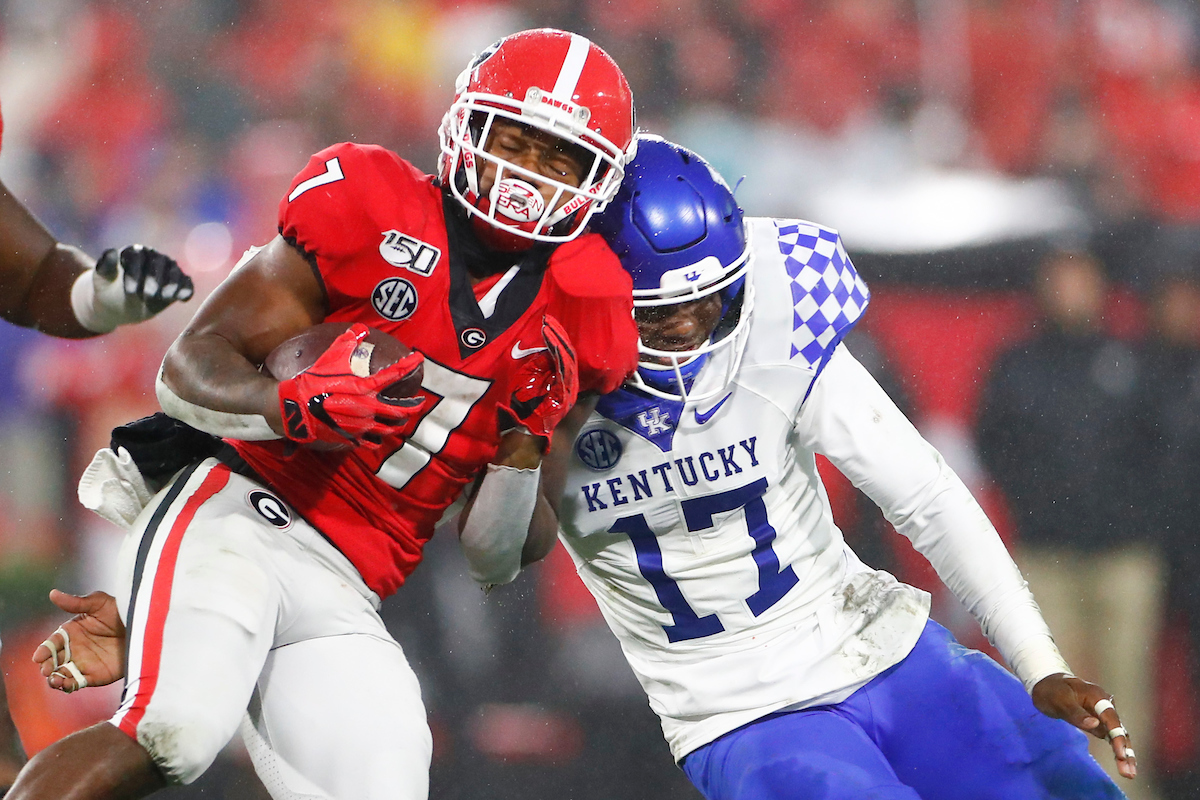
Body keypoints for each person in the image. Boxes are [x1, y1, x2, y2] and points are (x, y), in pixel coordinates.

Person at [9, 28, 638, 800]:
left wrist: (521, 449)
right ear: (468, 125)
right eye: (515, 139)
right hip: (233, 514)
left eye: (557, 159)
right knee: (174, 730)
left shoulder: (585, 313)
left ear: (596, 181)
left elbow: (496, 557)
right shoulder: (371, 202)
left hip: (350, 580)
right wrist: (289, 405)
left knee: (386, 782)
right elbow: (188, 368)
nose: (525, 174)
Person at [552, 137, 1132, 798]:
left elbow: (925, 492)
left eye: (709, 301)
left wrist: (1037, 661)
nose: (689, 330)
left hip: (872, 643)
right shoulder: (540, 376)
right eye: (661, 313)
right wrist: (521, 447)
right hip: (741, 712)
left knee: (1064, 784)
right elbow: (494, 555)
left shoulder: (771, 321)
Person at [0, 106, 192, 792]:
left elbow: (33, 289)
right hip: (111, 534)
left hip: (158, 532)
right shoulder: (114, 368)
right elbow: (43, 377)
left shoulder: (191, 361)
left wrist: (97, 304)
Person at [976, 249, 1159, 796]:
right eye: (1061, 278)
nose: (1071, 290)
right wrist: (1037, 502)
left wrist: (1135, 511)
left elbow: (1161, 448)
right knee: (1053, 686)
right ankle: (1061, 790)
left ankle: (1130, 792)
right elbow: (993, 443)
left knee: (1127, 689)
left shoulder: (1129, 360)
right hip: (1047, 554)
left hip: (1124, 554)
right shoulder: (1017, 362)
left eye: (1082, 276)